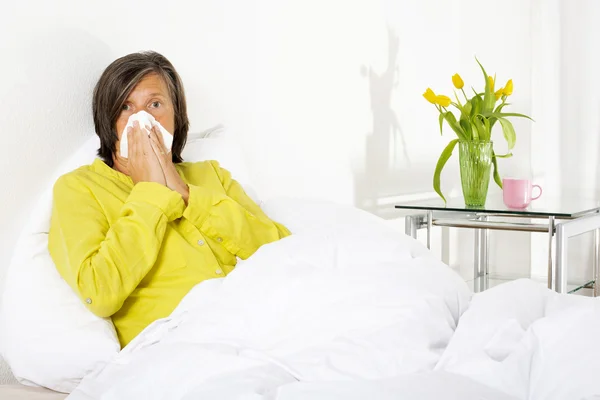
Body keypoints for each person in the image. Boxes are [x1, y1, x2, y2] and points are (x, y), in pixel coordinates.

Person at [48, 51, 290, 347]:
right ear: (108, 120)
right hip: (177, 347)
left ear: (176, 115)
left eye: (155, 104)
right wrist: (150, 192)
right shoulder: (79, 188)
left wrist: (185, 194)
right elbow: (98, 291)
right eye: (126, 107)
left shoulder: (211, 175)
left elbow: (283, 254)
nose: (142, 120)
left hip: (264, 324)